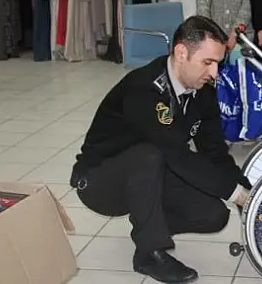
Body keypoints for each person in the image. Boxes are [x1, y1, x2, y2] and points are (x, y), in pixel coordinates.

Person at [70, 16, 251, 284]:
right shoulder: (143, 88)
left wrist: (251, 195)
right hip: (99, 181)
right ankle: (148, 254)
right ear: (181, 53)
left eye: (218, 64)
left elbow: (215, 153)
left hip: (151, 173)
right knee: (149, 155)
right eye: (208, 62)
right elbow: (177, 155)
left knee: (213, 215)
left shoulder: (203, 91)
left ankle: (147, 223)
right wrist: (237, 195)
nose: (214, 73)